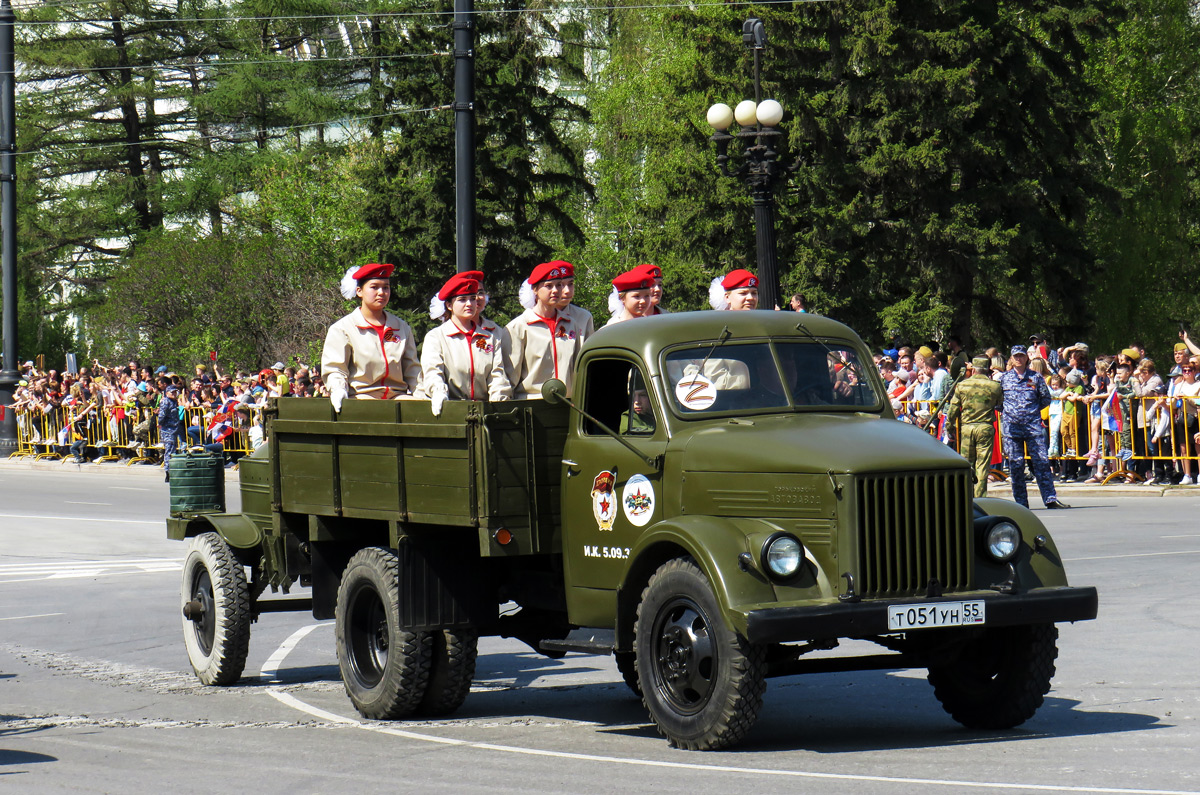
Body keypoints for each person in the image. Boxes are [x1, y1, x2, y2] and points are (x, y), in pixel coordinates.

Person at [321, 262, 422, 412]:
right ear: (359, 291)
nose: (381, 292)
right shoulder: (343, 329)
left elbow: (413, 371)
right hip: (361, 396)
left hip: (397, 397)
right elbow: (335, 368)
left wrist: (424, 396)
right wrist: (338, 389)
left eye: (386, 287)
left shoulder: (401, 327)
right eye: (374, 287)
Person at [420, 273, 512, 415]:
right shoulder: (436, 337)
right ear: (449, 305)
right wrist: (438, 392)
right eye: (462, 300)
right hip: (450, 410)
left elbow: (497, 374)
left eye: (472, 299)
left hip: (485, 411)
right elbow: (433, 372)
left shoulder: (490, 337)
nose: (469, 304)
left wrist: (498, 405)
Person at [1000, 345, 1070, 509]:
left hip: (1032, 427)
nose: (1018, 359)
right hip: (1012, 429)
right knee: (1016, 466)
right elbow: (998, 402)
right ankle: (1021, 503)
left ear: (1026, 358)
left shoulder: (1036, 377)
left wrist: (1030, 412)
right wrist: (1011, 413)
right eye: (1015, 356)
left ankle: (1050, 499)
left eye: (1021, 356)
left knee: (1041, 462)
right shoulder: (1004, 378)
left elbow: (1045, 398)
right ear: (1011, 358)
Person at [507, 260, 588, 398]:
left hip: (567, 404)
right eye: (549, 286)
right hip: (531, 405)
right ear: (535, 289)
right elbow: (509, 377)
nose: (556, 290)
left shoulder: (570, 324)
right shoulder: (519, 327)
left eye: (559, 285)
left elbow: (578, 369)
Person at [946, 357, 1002, 497]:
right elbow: (1000, 404)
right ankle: (980, 497)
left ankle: (966, 495)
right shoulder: (994, 386)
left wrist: (949, 426)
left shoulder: (962, 385)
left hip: (967, 428)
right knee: (982, 465)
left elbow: (953, 409)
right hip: (985, 427)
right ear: (988, 368)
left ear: (973, 369)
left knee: (967, 464)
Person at [158, 384, 183, 477]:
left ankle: (172, 470)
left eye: (175, 392)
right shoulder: (166, 402)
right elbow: (161, 416)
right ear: (167, 393)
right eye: (172, 392)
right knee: (169, 450)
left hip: (174, 429)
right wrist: (160, 423)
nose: (174, 394)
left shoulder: (174, 401)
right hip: (168, 430)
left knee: (173, 450)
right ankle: (168, 472)